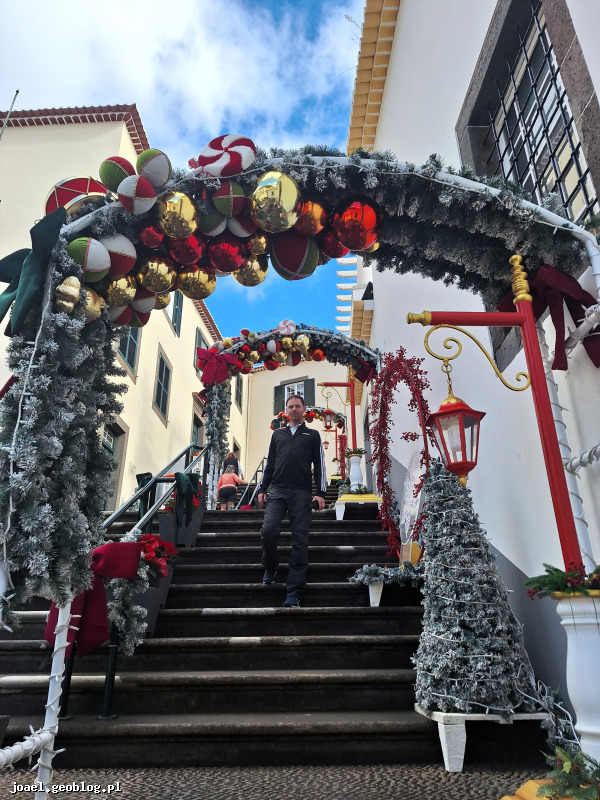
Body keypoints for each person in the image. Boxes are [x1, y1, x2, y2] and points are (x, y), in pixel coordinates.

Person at [257, 394, 326, 608]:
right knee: (268, 531)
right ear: (286, 411)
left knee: (299, 542)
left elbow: (319, 465)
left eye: (297, 406)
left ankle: (294, 592)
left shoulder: (312, 435)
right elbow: (269, 464)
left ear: (304, 409)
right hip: (277, 490)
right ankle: (271, 566)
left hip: (301, 492)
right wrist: (262, 488)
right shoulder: (278, 434)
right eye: (290, 407)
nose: (294, 409)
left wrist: (321, 493)